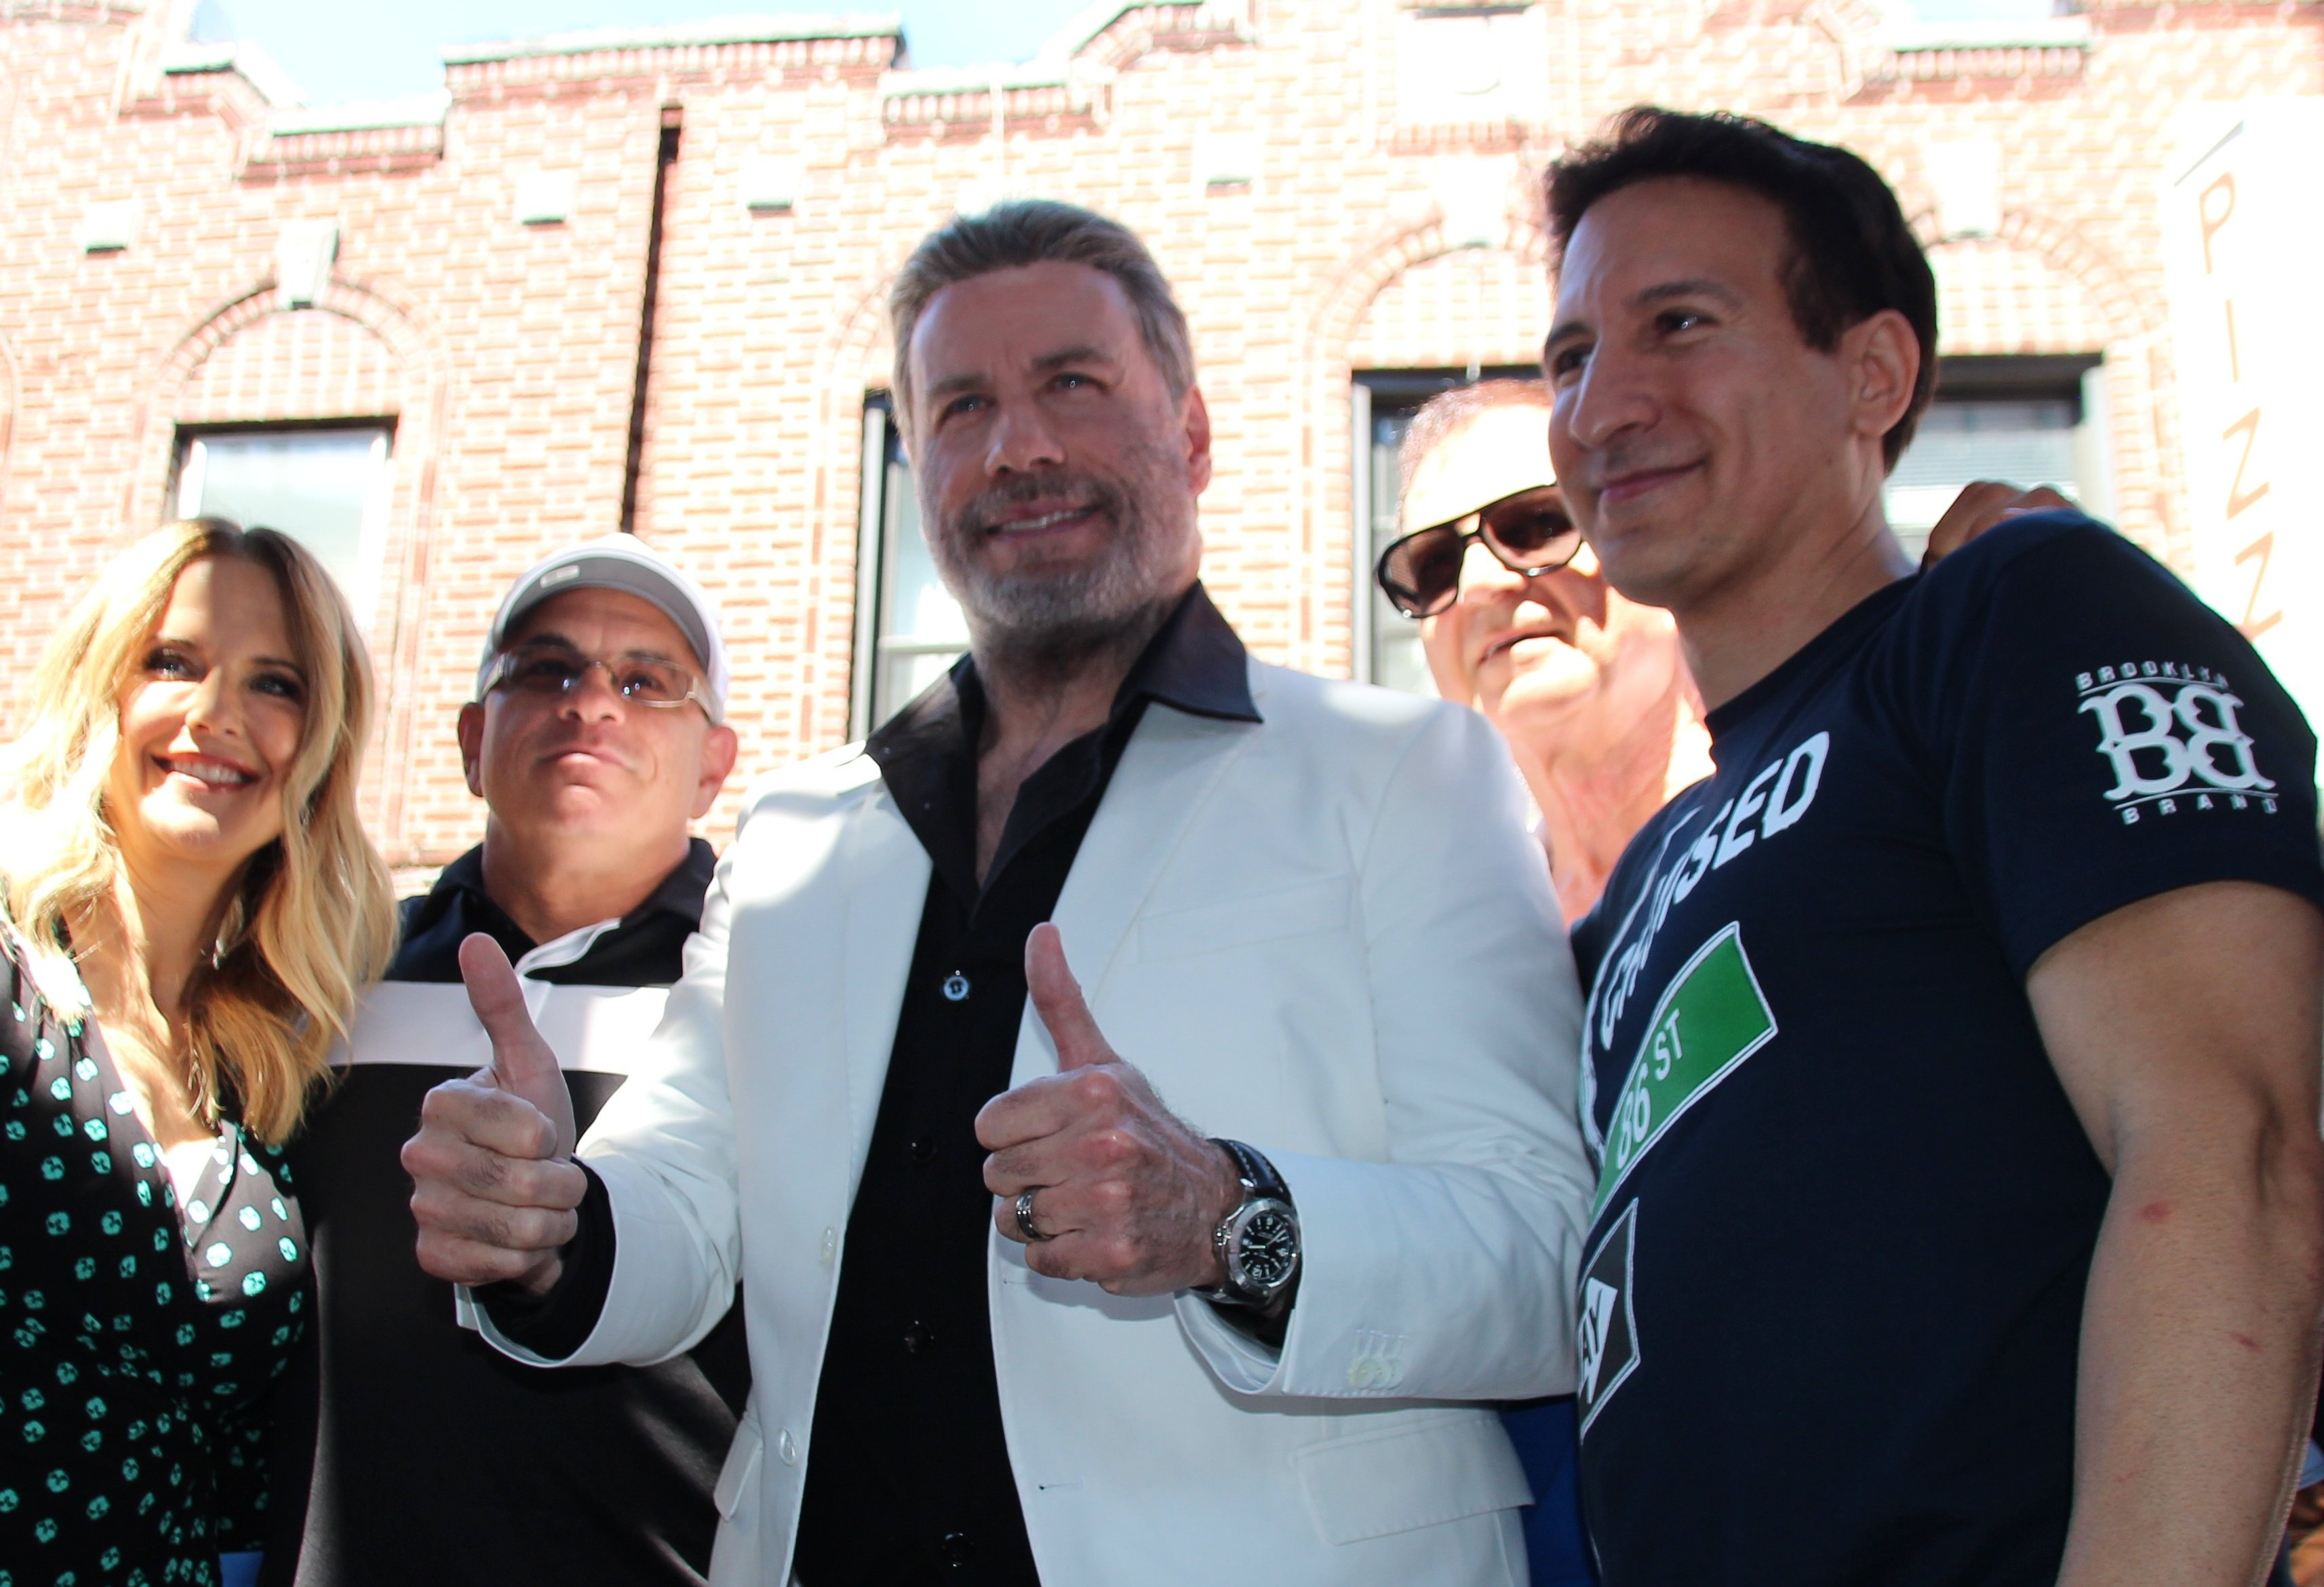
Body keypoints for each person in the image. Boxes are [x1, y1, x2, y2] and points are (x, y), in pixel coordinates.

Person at [402, 199, 1597, 1586]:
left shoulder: (1407, 773)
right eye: (963, 405)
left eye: (1073, 386)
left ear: (1193, 435)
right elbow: (687, 1199)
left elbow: (1551, 1253)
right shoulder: (797, 836)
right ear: (919, 471)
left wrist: (1224, 1217)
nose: (1019, 445)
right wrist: (556, 1222)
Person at [1539, 106, 2324, 1585]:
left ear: (1875, 373)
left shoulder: (2015, 611)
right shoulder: (1646, 880)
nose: (1602, 409)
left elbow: (2240, 1152)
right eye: (1571, 356)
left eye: (1680, 325)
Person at [260, 536, 747, 1586]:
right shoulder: (324, 982)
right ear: (474, 741)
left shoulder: (775, 1003)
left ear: (715, 765)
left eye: (644, 681)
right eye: (547, 671)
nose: (592, 704)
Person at [0, 520, 396, 1587]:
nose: (218, 716)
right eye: (172, 662)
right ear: (100, 688)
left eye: (276, 684)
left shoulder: (261, 1067)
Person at [1383, 378, 1714, 923]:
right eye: (1435, 567)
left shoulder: (1817, 814)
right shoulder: (1460, 935)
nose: (1478, 586)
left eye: (1539, 526)